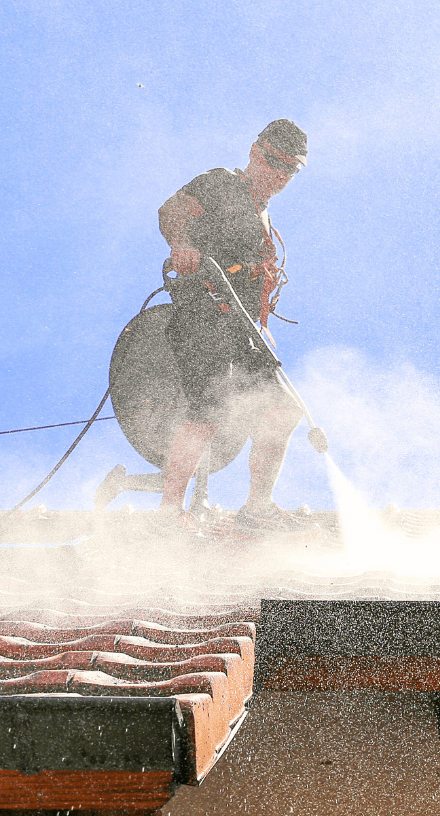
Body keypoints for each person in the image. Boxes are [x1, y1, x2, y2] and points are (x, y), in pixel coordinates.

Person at [156, 119, 309, 531]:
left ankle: (258, 507)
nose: (280, 174)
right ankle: (169, 514)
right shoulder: (222, 183)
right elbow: (172, 211)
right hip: (203, 315)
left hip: (244, 329)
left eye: (291, 169)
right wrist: (183, 245)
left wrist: (261, 326)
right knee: (208, 411)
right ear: (255, 152)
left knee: (283, 409)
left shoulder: (262, 215)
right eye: (275, 161)